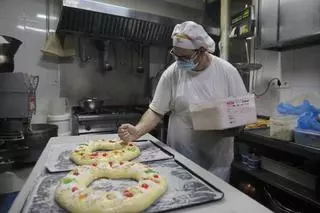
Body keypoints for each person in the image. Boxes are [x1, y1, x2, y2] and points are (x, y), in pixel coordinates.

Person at [118, 21, 247, 181]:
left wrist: (223, 128)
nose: (179, 61)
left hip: (216, 163)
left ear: (201, 51)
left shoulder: (227, 72)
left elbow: (241, 117)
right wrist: (137, 131)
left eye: (184, 57)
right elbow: (156, 110)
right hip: (180, 158)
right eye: (176, 55)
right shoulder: (172, 73)